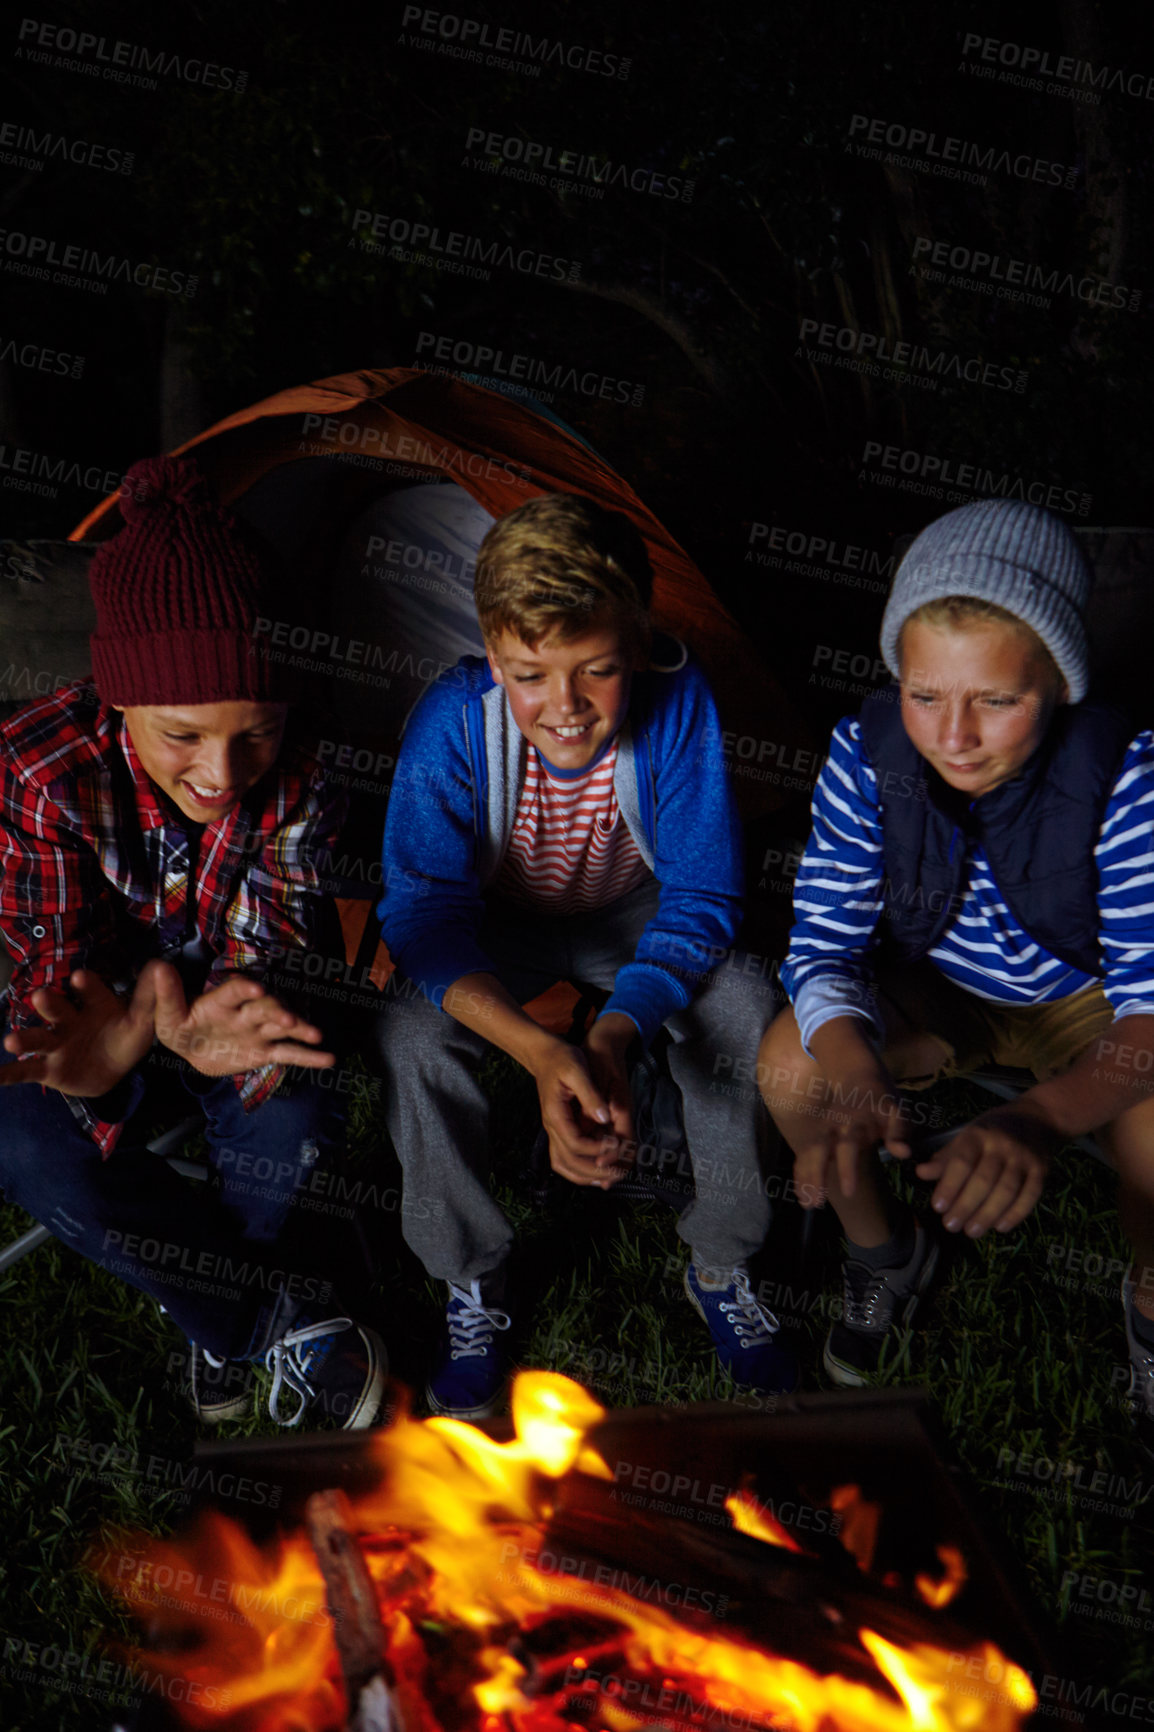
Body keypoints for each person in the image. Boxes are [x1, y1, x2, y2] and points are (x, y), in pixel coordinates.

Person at [373, 493, 791, 1419]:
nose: (563, 709)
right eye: (529, 675)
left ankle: (722, 1263)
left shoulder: (681, 705)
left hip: (635, 909)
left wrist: (612, 1033)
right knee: (409, 1030)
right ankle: (471, 1276)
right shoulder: (451, 722)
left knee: (743, 1003)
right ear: (493, 657)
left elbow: (703, 896)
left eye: (597, 671)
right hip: (496, 920)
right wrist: (539, 1049)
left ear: (637, 645)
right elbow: (422, 914)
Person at [0, 453, 386, 1430]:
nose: (220, 774)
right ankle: (257, 1316)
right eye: (182, 736)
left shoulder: (300, 772)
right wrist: (124, 1036)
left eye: (251, 733)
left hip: (204, 999)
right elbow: (51, 981)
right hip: (86, 1005)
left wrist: (228, 1000)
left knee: (286, 1102)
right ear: (120, 699)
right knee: (30, 1148)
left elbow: (270, 933)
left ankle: (216, 1301)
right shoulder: (39, 769)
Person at [759, 498, 1154, 1447]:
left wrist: (1038, 1117)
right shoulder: (867, 755)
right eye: (926, 695)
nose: (954, 736)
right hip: (941, 986)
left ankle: (1150, 1303)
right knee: (791, 1063)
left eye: (997, 700)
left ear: (1059, 683)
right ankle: (883, 1254)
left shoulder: (1129, 770)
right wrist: (857, 1075)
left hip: (1088, 1000)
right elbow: (823, 946)